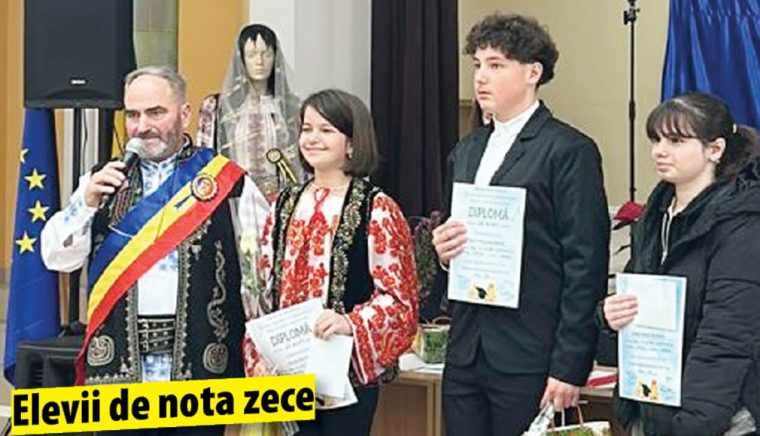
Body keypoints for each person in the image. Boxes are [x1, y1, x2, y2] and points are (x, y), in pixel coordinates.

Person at [41, 66, 269, 435]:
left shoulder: (226, 182)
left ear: (185, 114)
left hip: (200, 372)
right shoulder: (101, 181)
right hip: (118, 371)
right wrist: (85, 204)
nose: (142, 126)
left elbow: (262, 271)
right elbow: (56, 257)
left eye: (155, 112)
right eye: (133, 115)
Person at [432, 13, 610, 435]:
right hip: (467, 351)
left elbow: (585, 265)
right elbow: (454, 236)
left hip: (531, 354)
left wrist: (569, 365)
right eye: (477, 65)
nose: (481, 77)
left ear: (533, 73)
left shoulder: (568, 150)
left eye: (496, 65)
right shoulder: (467, 151)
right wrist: (444, 254)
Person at [242, 89, 419, 436]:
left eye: (326, 130)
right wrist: (260, 351)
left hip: (346, 375)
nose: (312, 138)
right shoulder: (283, 204)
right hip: (288, 372)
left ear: (352, 143)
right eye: (306, 129)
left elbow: (400, 300)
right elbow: (262, 287)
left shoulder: (376, 208)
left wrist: (349, 322)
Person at [603, 92, 760, 436]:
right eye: (656, 139)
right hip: (652, 401)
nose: (659, 150)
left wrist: (691, 425)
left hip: (714, 418)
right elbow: (637, 297)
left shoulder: (742, 223)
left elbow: (727, 338)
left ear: (714, 149)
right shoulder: (656, 213)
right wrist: (609, 313)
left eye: (675, 141)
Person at [196, 23, 303, 201]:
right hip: (234, 197)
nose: (260, 62)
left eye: (266, 54)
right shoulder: (216, 107)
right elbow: (203, 157)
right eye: (252, 55)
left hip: (281, 198)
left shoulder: (291, 106)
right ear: (242, 59)